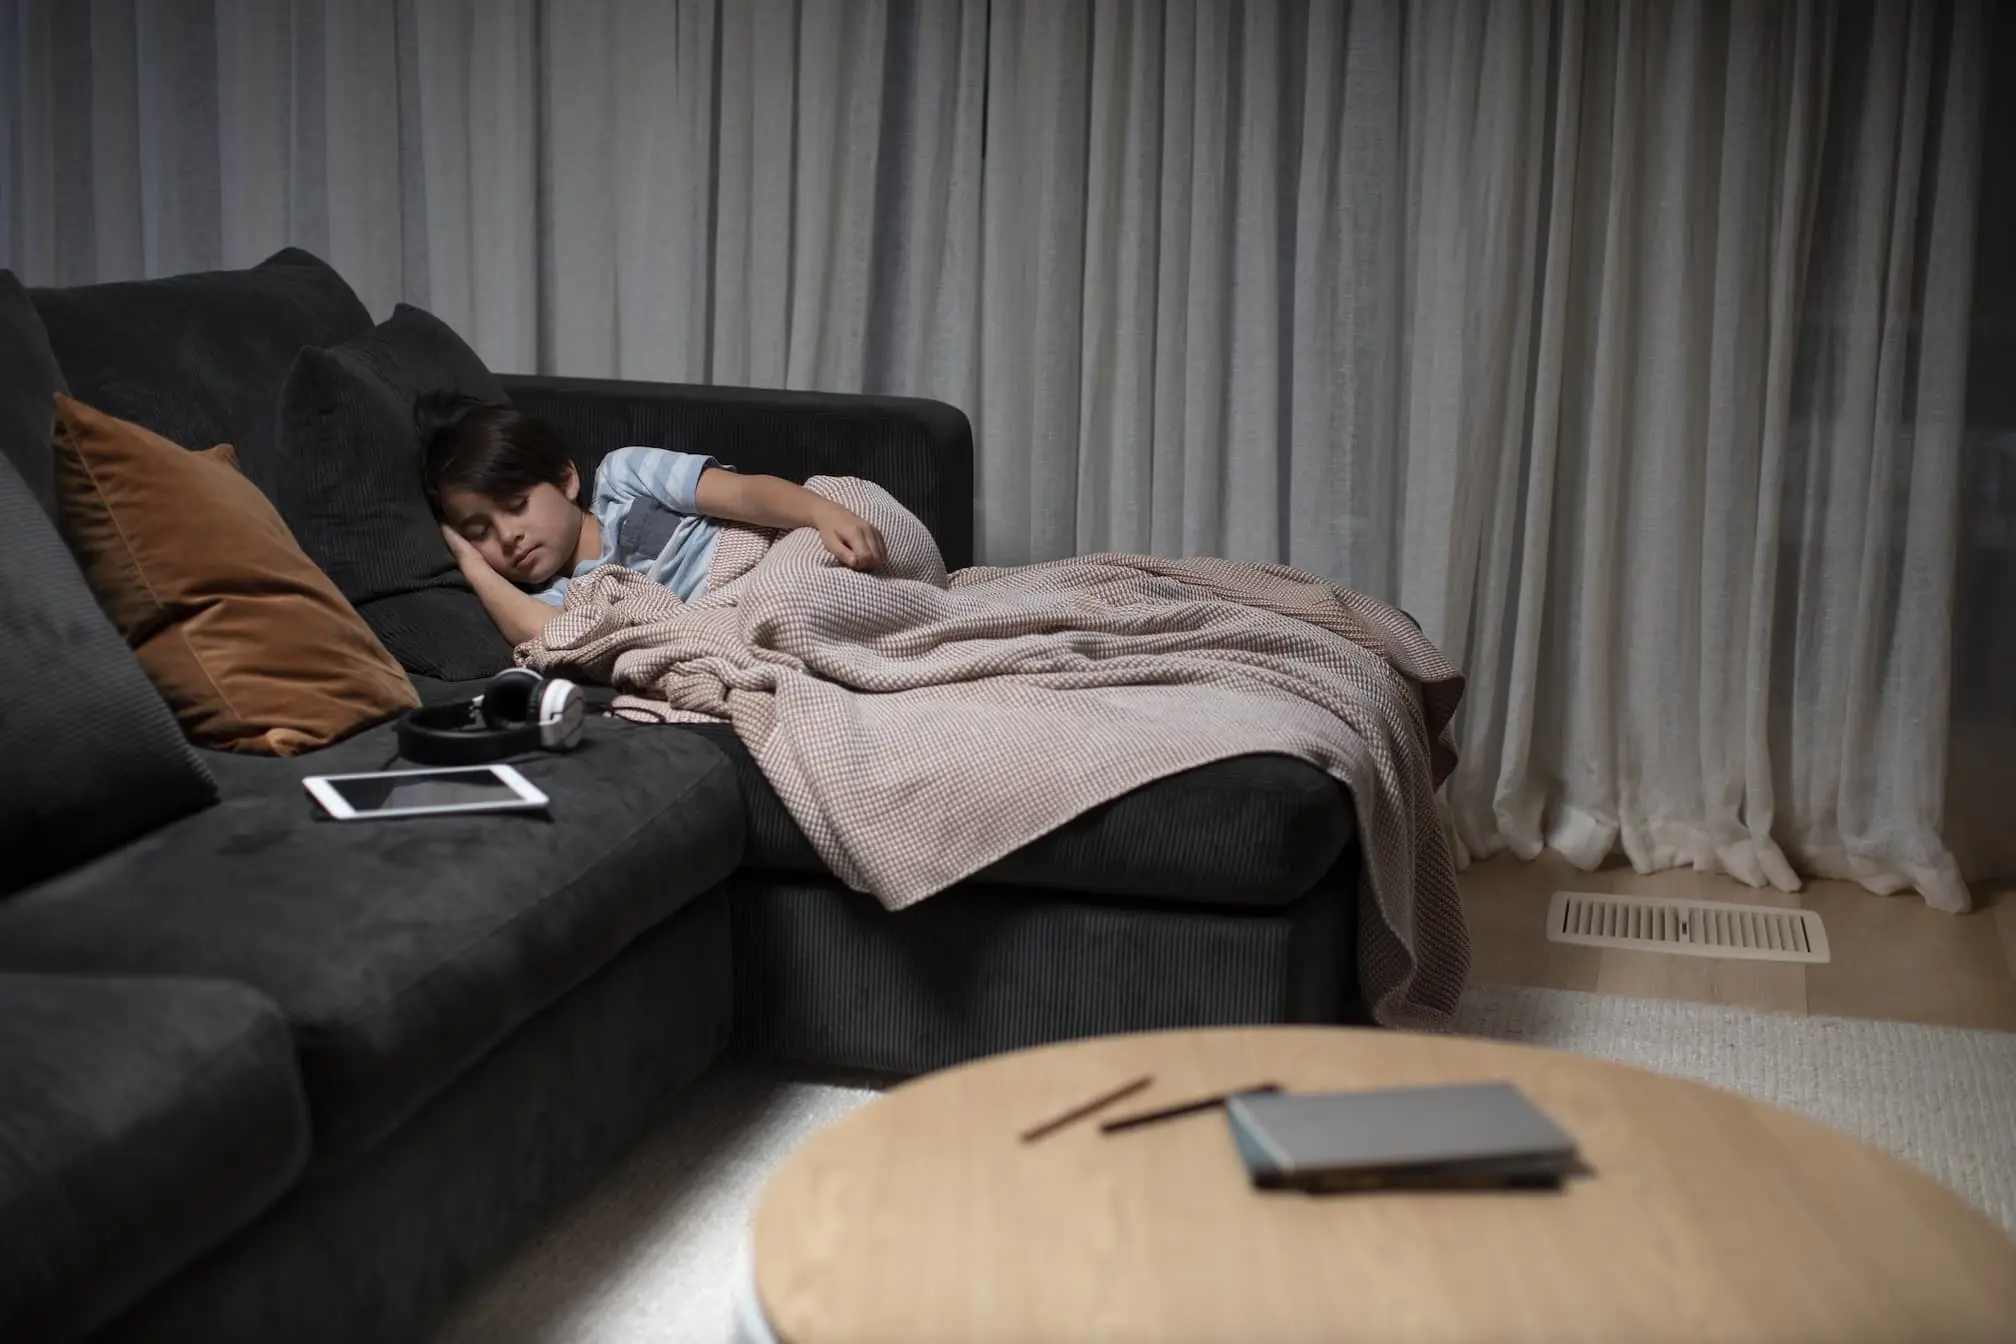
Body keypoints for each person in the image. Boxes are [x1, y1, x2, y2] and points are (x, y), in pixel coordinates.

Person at [417, 393, 887, 645]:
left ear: (565, 479)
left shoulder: (624, 478)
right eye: (479, 533)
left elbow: (743, 493)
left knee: (845, 507)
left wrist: (822, 510)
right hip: (730, 615)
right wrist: (469, 562)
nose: (508, 536)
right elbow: (547, 634)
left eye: (517, 505)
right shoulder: (560, 598)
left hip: (769, 559)